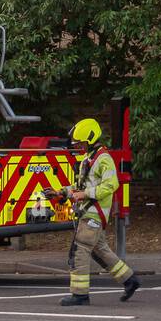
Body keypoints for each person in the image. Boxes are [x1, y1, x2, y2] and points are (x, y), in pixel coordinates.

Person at [53, 118, 140, 307]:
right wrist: (62, 192)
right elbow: (80, 186)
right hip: (89, 212)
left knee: (80, 251)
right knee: (100, 250)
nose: (80, 147)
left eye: (81, 143)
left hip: (94, 213)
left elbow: (111, 184)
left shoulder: (103, 159)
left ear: (90, 139)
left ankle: (80, 295)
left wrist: (84, 194)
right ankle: (130, 280)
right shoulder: (89, 159)